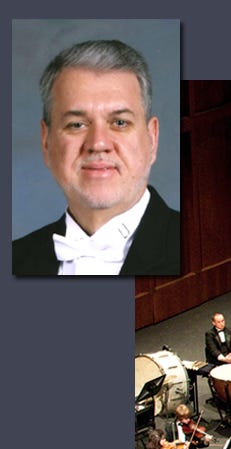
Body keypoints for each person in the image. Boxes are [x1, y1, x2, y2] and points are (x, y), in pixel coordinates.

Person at [14, 39, 179, 276]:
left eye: (120, 122)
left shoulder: (199, 246)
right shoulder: (15, 259)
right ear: (46, 141)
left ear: (152, 138)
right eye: (77, 124)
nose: (98, 144)